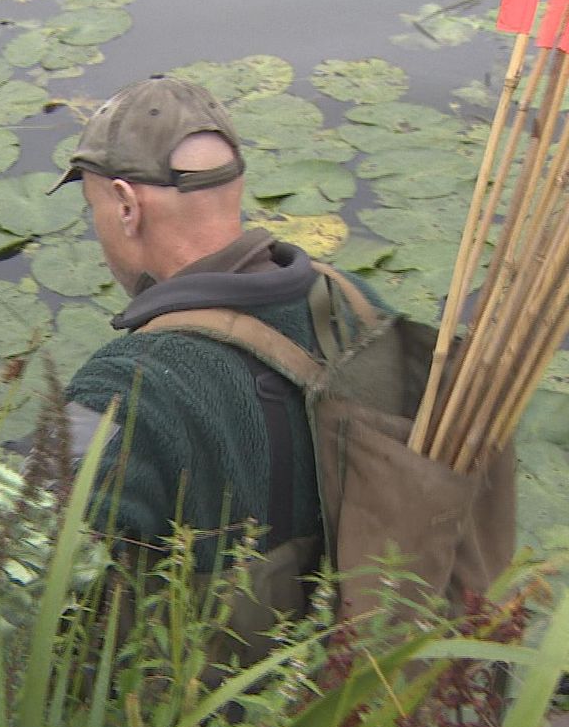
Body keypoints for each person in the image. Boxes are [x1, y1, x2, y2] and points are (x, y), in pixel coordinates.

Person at [48, 75, 390, 632]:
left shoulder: (122, 390)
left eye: (95, 209)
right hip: (356, 670)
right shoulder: (356, 302)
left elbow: (2, 574)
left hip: (208, 712)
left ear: (127, 205)